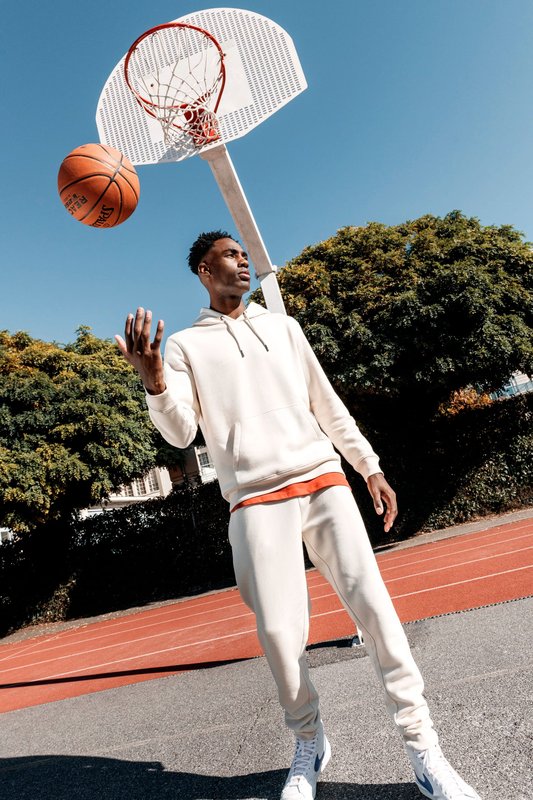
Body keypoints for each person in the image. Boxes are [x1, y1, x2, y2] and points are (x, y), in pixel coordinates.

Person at [116, 231, 481, 800]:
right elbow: (181, 432)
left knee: (377, 612)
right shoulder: (185, 347)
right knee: (280, 637)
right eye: (230, 255)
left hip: (322, 477)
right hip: (254, 498)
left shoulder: (284, 327)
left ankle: (423, 748)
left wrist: (368, 465)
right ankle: (309, 742)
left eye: (244, 255)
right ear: (204, 272)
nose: (243, 262)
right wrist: (155, 380)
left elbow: (325, 403)